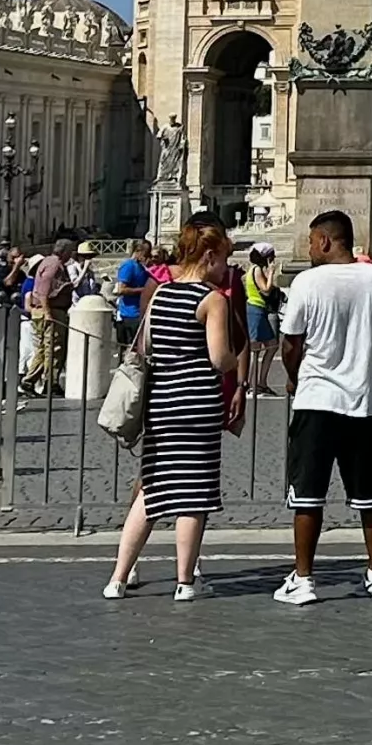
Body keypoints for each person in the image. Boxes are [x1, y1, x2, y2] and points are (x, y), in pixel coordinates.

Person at [106, 217, 241, 600]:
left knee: (151, 491)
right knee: (193, 495)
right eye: (224, 261)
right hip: (196, 404)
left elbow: (145, 348)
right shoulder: (211, 299)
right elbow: (218, 359)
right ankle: (184, 581)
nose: (226, 269)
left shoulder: (161, 294)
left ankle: (117, 577)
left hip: (161, 404)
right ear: (211, 256)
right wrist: (234, 360)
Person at [276, 210, 372, 604]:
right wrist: (362, 360)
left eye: (312, 241)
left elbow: (290, 344)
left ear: (327, 241)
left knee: (308, 494)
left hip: (317, 399)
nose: (309, 248)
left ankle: (304, 578)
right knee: (371, 496)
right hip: (364, 401)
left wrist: (296, 375)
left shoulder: (307, 282)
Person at [23, 236, 77, 397]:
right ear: (65, 251)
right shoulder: (54, 265)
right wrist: (47, 313)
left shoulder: (49, 262)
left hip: (48, 309)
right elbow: (44, 290)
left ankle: (32, 381)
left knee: (45, 348)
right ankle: (49, 382)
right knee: (53, 348)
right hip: (51, 310)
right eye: (70, 250)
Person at [243, 243, 286, 394]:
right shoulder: (256, 270)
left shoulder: (257, 270)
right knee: (255, 348)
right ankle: (250, 383)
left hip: (259, 310)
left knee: (272, 345)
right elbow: (266, 290)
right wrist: (272, 273)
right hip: (255, 310)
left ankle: (261, 382)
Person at [113, 242, 154, 350]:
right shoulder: (129, 266)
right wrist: (143, 290)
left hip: (140, 311)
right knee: (132, 347)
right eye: (146, 254)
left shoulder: (141, 267)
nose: (147, 257)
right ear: (138, 252)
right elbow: (121, 289)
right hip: (130, 313)